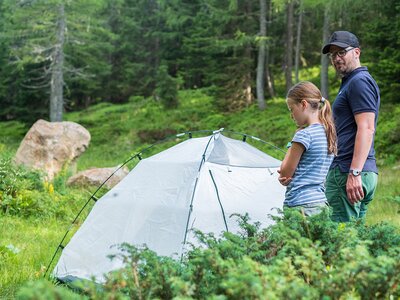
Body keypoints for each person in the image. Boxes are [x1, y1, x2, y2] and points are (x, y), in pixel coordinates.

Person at [322, 31, 380, 222]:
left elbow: (367, 128)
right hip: (360, 171)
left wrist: (354, 173)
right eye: (333, 55)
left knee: (340, 242)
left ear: (356, 52)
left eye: (341, 52)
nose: (336, 59)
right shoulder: (353, 82)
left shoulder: (358, 82)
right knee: (356, 241)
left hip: (349, 172)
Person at [278, 81, 337, 216]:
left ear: (303, 104)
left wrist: (292, 142)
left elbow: (285, 172)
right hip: (320, 203)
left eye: (291, 109)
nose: (291, 115)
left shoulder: (304, 135)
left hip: (300, 205)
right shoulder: (329, 132)